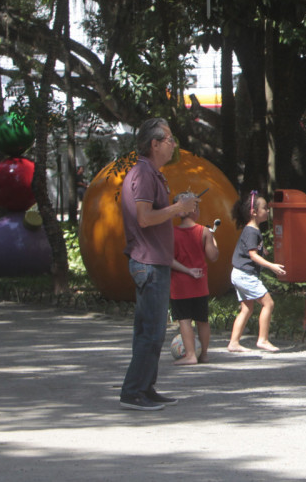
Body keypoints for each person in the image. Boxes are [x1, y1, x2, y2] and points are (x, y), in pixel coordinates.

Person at [120, 118, 198, 411]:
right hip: (148, 262)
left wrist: (176, 209)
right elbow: (144, 217)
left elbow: (152, 214)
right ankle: (133, 392)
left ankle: (145, 387)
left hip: (153, 261)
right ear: (154, 144)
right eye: (168, 139)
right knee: (151, 332)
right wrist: (178, 208)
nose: (173, 144)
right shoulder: (144, 174)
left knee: (150, 330)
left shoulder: (151, 173)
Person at [227, 191, 286, 353]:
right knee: (269, 303)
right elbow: (252, 255)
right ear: (254, 212)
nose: (268, 211)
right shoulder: (252, 231)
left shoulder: (251, 230)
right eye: (265, 208)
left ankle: (234, 342)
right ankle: (263, 339)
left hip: (239, 273)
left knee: (247, 308)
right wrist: (271, 266)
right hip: (245, 274)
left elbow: (252, 248)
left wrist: (263, 250)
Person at [169, 191, 220, 365]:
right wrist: (212, 238)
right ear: (195, 210)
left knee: (184, 320)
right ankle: (204, 354)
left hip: (179, 284)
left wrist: (186, 270)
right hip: (200, 283)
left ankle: (190, 355)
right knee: (202, 319)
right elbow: (213, 256)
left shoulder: (171, 233)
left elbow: (168, 259)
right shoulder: (204, 231)